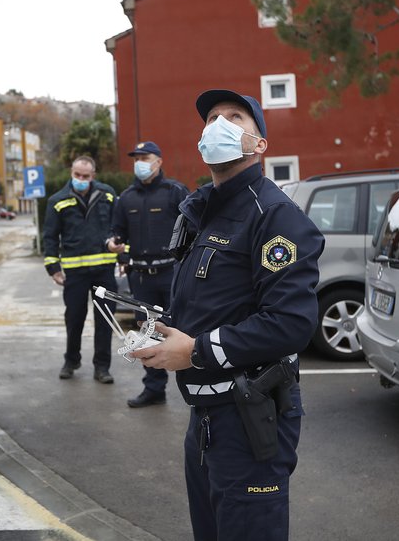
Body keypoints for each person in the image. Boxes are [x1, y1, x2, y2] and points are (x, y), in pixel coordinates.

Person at [131, 89, 324, 541]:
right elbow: (205, 303)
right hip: (205, 416)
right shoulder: (205, 214)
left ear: (259, 145)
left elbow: (291, 323)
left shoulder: (275, 216)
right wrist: (160, 336)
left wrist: (196, 350)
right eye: (212, 117)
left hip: (249, 414)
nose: (218, 123)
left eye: (235, 117)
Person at [107, 141, 190, 408]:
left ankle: (197, 388)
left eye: (146, 157)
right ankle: (154, 389)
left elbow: (194, 227)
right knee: (148, 333)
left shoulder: (175, 191)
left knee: (183, 328)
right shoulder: (126, 197)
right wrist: (113, 244)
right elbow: (116, 231)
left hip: (171, 273)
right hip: (141, 277)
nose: (140, 162)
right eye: (137, 158)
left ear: (159, 161)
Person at [43, 155, 118, 384]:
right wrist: (53, 268)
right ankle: (71, 360)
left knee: (104, 320)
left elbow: (119, 227)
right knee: (74, 318)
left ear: (93, 175)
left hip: (104, 270)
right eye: (77, 175)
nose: (81, 180)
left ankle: (102, 367)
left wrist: (123, 256)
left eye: (86, 176)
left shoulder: (108, 195)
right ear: (71, 173)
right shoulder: (58, 200)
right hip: (74, 274)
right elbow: (50, 237)